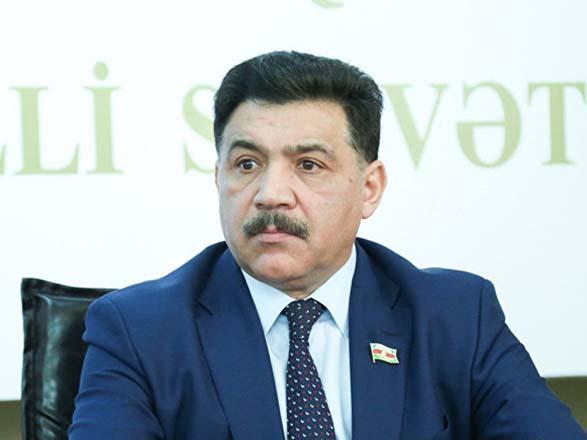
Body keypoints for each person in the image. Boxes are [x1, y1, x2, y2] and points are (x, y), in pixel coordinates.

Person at [69, 51, 586, 440]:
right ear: (219, 177)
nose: (270, 194)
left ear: (369, 188)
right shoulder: (140, 331)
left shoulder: (454, 316)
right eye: (247, 164)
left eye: (308, 165)